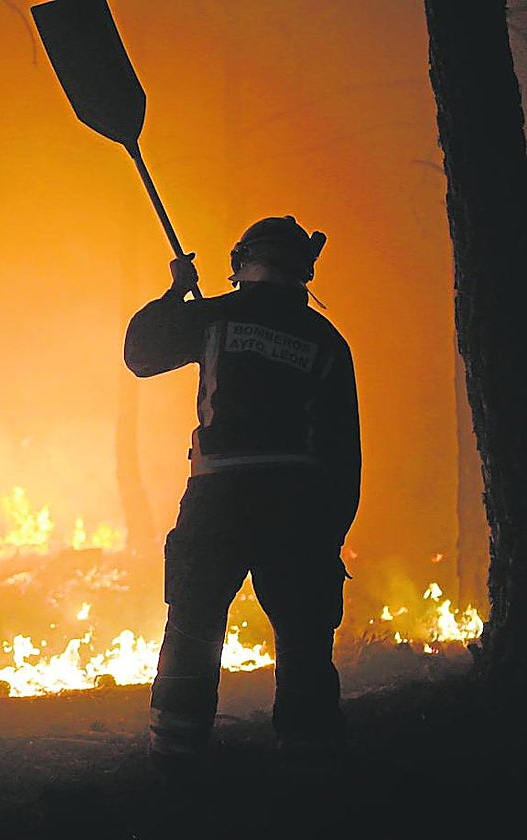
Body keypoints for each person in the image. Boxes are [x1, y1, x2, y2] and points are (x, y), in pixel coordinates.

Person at [123, 216, 360, 779]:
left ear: (241, 262)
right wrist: (332, 531)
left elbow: (140, 352)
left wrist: (176, 291)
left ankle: (175, 757)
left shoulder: (215, 317)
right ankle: (309, 758)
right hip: (296, 505)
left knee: (194, 625)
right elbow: (343, 450)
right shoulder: (326, 341)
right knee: (303, 633)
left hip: (217, 499)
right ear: (302, 271)